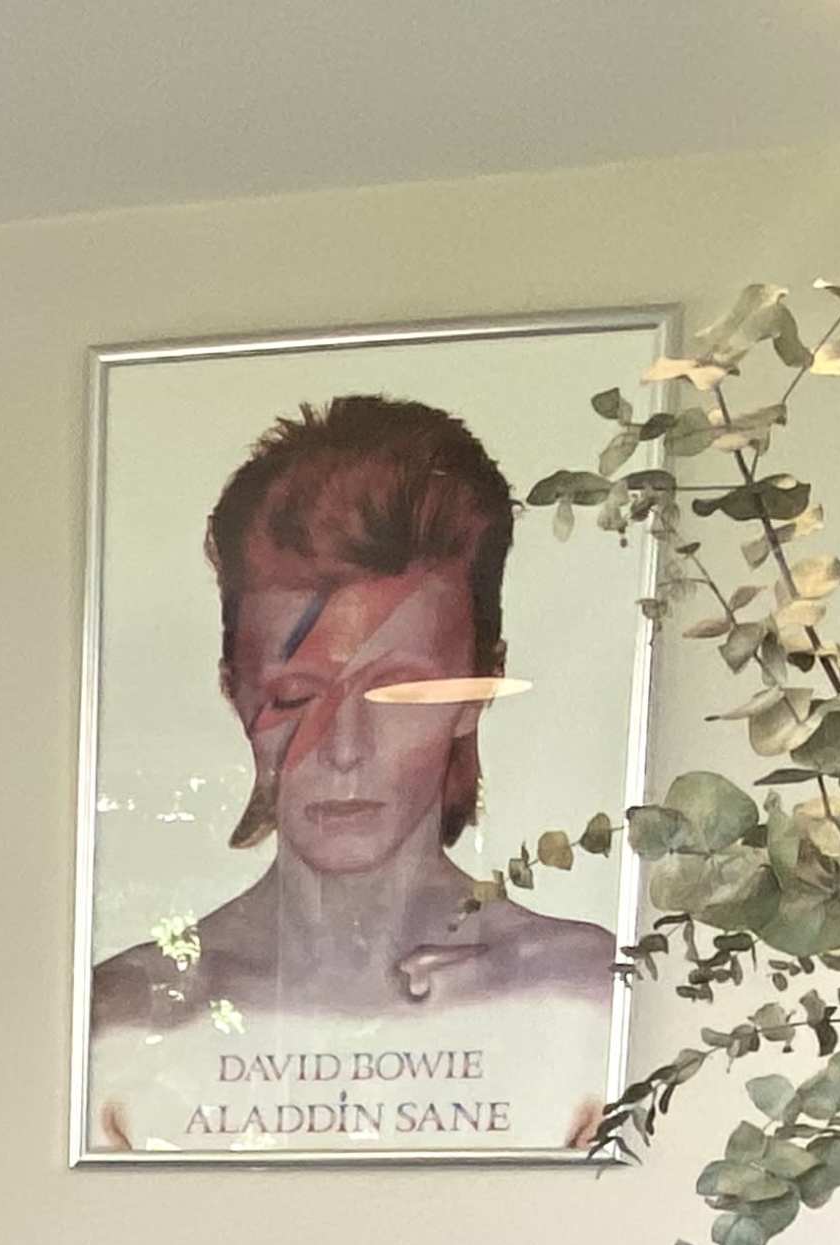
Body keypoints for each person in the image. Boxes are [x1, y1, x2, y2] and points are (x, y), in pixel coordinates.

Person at [90, 394, 615, 1153]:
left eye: (399, 693)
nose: (341, 749)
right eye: (296, 696)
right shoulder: (125, 1018)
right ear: (232, 690)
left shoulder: (587, 999)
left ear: (477, 689)